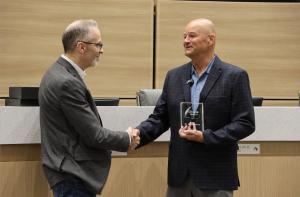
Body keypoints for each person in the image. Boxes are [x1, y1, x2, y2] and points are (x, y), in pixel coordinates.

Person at [134, 18, 255, 197]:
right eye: (184, 36)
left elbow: (245, 123)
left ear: (210, 39)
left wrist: (205, 137)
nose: (185, 41)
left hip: (215, 174)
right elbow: (160, 118)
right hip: (179, 176)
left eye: (192, 36)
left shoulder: (234, 76)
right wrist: (137, 135)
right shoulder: (174, 76)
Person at [39, 19, 140, 197]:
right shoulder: (67, 82)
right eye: (98, 44)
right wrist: (126, 138)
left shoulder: (58, 73)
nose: (102, 50)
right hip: (73, 176)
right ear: (81, 47)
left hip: (69, 173)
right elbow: (94, 135)